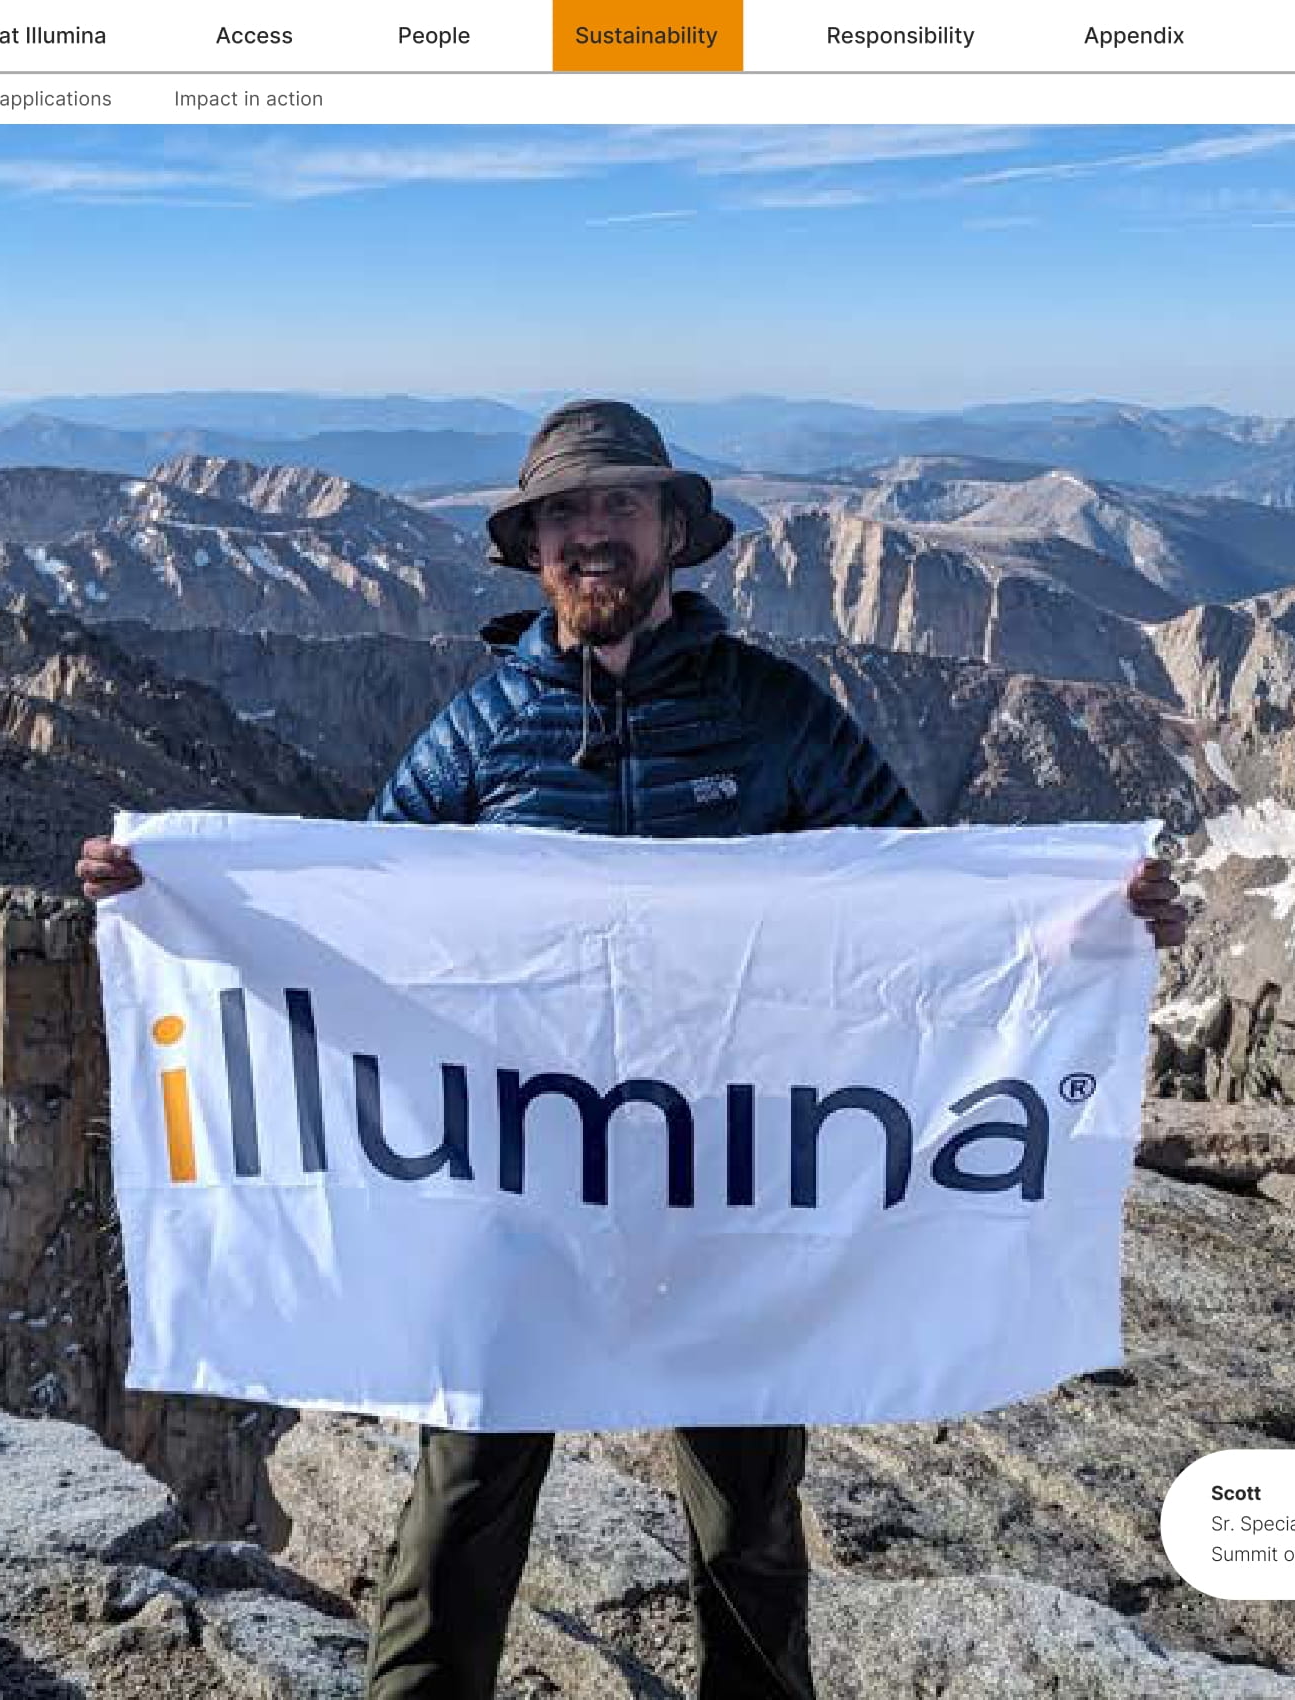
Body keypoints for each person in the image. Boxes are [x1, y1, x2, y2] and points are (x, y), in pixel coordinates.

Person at [77, 398, 1190, 1700]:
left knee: (747, 1510)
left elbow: (922, 896)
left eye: (618, 504)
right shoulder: (481, 730)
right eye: (564, 513)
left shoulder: (771, 712)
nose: (591, 533)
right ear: (532, 548)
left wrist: (1090, 925)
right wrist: (176, 902)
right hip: (523, 1182)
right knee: (465, 1492)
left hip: (731, 1171)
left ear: (671, 531)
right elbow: (360, 922)